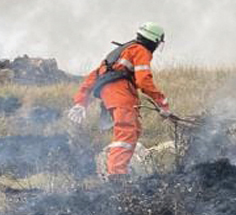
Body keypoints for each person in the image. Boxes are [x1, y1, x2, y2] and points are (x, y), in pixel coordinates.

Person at [67, 22, 176, 176]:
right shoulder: (140, 50)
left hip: (110, 97)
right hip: (121, 95)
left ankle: (117, 171)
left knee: (132, 130)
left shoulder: (120, 52)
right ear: (154, 41)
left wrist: (81, 103)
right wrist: (162, 104)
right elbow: (144, 81)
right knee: (126, 132)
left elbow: (93, 76)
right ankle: (117, 176)